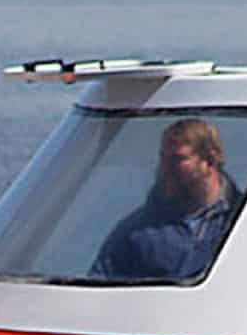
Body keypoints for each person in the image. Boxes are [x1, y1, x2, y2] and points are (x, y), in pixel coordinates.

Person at [90, 118, 238, 281]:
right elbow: (100, 283)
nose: (166, 167)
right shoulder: (138, 231)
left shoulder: (242, 218)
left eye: (177, 159)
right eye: (163, 157)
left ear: (210, 160)